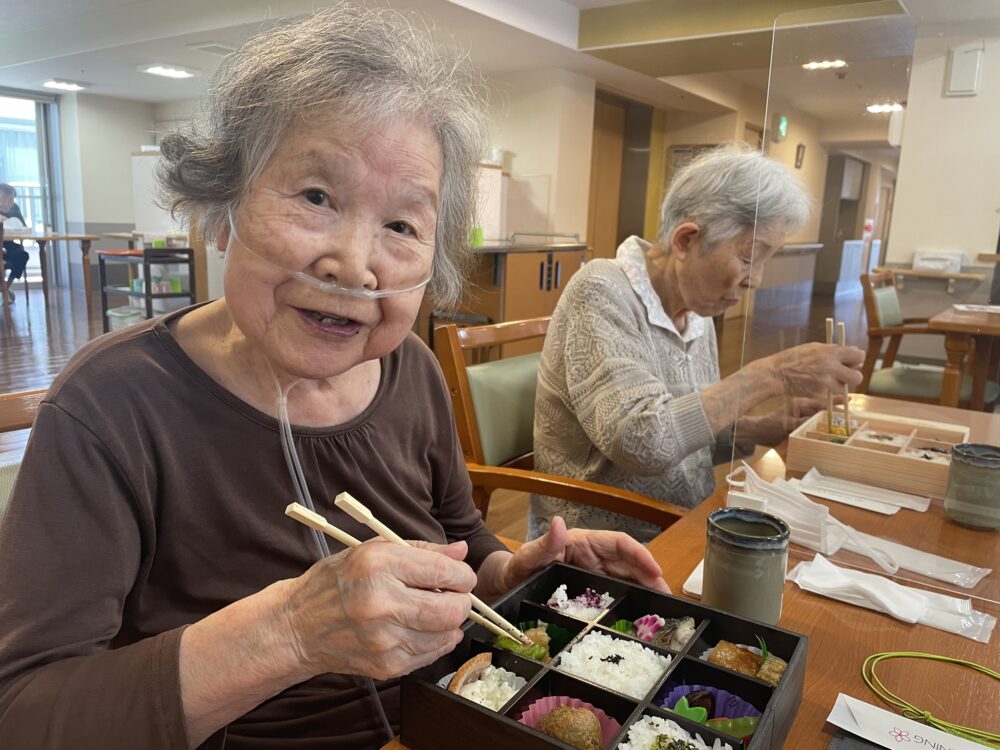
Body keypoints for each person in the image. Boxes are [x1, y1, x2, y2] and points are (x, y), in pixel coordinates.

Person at [0, 9, 668, 750]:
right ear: (222, 210)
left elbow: (458, 535)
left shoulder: (409, 368)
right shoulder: (113, 404)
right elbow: (25, 714)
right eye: (316, 196)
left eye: (403, 227)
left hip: (448, 715)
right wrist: (288, 632)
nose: (354, 263)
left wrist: (513, 572)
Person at [530, 145, 866, 542]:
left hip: (681, 522)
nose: (755, 279)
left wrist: (764, 427)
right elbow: (642, 443)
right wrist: (771, 375)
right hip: (601, 541)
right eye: (748, 258)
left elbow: (687, 431)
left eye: (764, 261)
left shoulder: (696, 313)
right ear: (686, 241)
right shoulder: (602, 290)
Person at [0, 182, 30, 303]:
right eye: (5, 199)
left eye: (11, 199)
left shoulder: (15, 209)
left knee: (22, 255)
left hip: (10, 244)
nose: (8, 203)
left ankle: (6, 288)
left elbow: (23, 227)